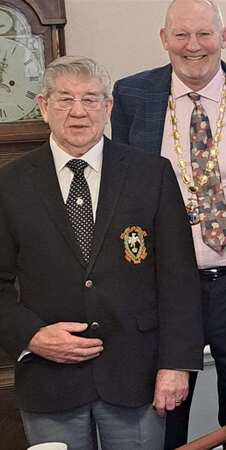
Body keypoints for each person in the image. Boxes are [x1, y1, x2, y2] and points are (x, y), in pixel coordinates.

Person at [111, 0, 226, 446]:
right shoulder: (133, 96)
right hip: (167, 285)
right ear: (164, 39)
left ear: (224, 37)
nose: (193, 47)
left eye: (204, 34)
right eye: (181, 35)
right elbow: (128, 182)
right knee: (166, 404)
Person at [0, 56, 203, 450]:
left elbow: (179, 280)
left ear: (108, 108)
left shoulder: (151, 174)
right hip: (50, 381)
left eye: (91, 99)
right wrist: (32, 336)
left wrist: (176, 364)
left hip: (136, 377)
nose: (78, 112)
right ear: (43, 107)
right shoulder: (9, 184)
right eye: (65, 100)